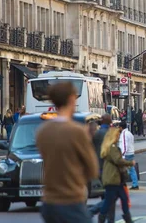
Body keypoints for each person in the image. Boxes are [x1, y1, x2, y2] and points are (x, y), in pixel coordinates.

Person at [36, 82, 99, 222]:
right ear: (71, 99)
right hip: (71, 200)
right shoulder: (77, 131)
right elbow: (93, 169)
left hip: (49, 202)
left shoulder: (42, 132)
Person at [98, 127, 134, 223]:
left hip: (115, 178)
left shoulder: (109, 146)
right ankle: (99, 217)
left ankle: (128, 219)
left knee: (122, 198)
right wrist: (130, 163)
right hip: (112, 178)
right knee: (109, 201)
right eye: (117, 135)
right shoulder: (112, 147)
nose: (118, 137)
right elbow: (118, 160)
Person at [118, 120, 139, 190]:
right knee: (131, 169)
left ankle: (129, 184)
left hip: (126, 154)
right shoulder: (129, 133)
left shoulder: (124, 134)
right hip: (131, 153)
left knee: (123, 169)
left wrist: (122, 155)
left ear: (121, 127)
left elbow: (124, 145)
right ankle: (135, 183)